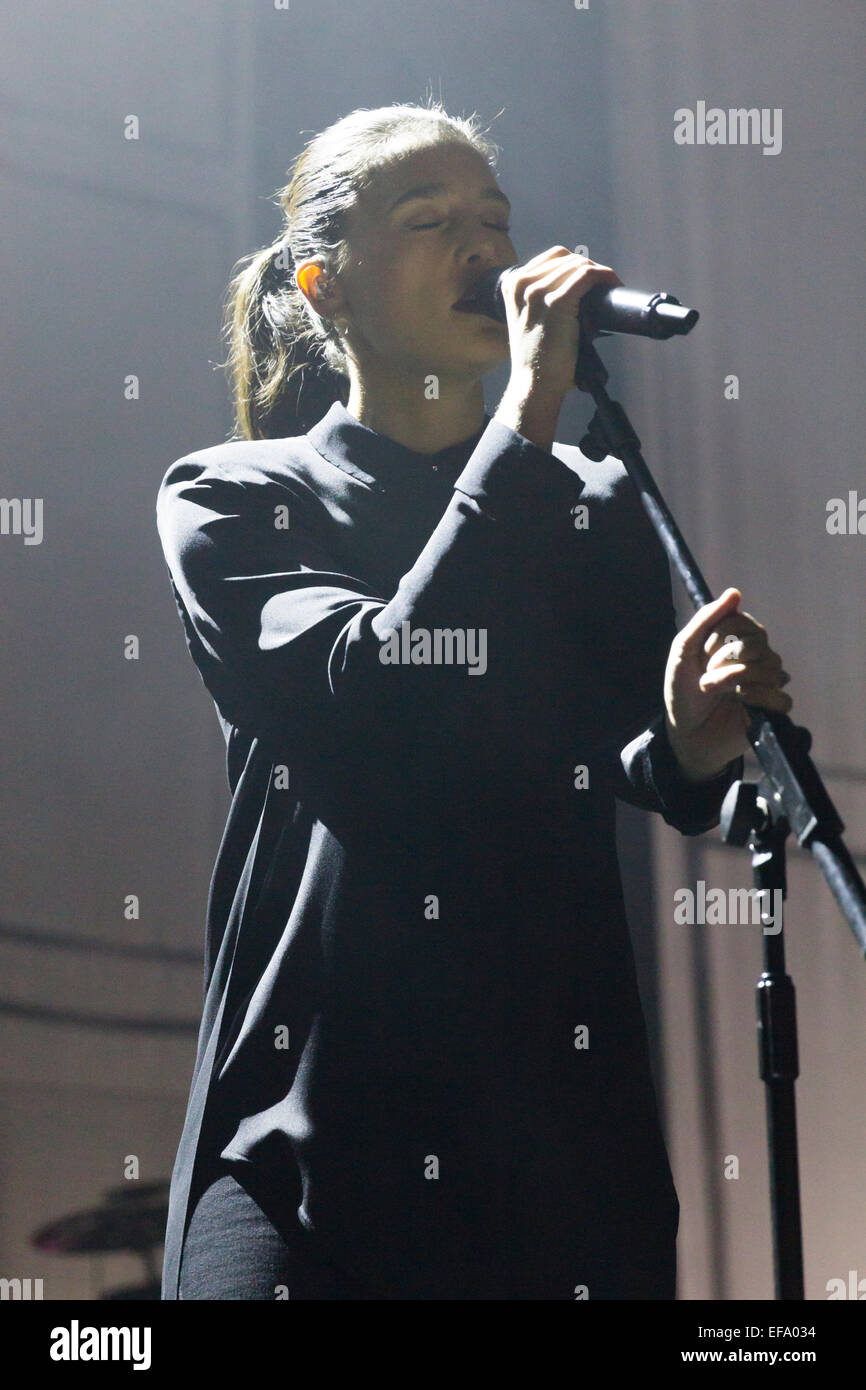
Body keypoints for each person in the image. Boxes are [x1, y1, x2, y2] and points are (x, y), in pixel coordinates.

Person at [155, 100, 792, 1300]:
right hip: (309, 1160)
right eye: (431, 220)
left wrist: (687, 742)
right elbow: (373, 708)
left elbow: (627, 766)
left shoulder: (587, 503)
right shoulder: (238, 500)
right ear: (325, 286)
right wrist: (523, 422)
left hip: (559, 1163)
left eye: (493, 219)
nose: (484, 249)